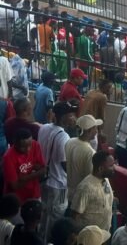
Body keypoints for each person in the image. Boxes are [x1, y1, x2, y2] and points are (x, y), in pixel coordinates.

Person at [39, 102, 78, 239]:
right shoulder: (63, 137)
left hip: (44, 181)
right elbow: (64, 165)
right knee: (54, 221)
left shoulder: (44, 128)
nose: (74, 118)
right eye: (71, 115)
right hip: (58, 185)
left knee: (43, 217)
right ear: (63, 118)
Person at [70, 151, 115, 232]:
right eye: (111, 166)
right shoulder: (85, 187)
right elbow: (75, 215)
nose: (114, 168)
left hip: (104, 234)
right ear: (100, 168)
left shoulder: (106, 179)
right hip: (89, 237)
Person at [3, 129, 46, 203]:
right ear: (15, 143)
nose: (28, 150)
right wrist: (35, 171)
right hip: (18, 199)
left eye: (30, 145)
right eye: (23, 147)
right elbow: (15, 186)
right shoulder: (8, 157)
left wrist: (24, 178)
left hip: (34, 193)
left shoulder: (35, 144)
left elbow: (44, 169)